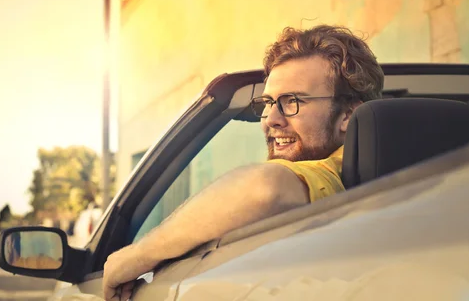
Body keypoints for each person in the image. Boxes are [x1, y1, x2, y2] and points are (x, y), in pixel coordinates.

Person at [102, 25, 385, 301]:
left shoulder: (339, 170)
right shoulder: (389, 178)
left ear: (348, 115)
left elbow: (265, 189)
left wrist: (134, 257)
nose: (272, 119)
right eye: (268, 103)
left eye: (292, 101)